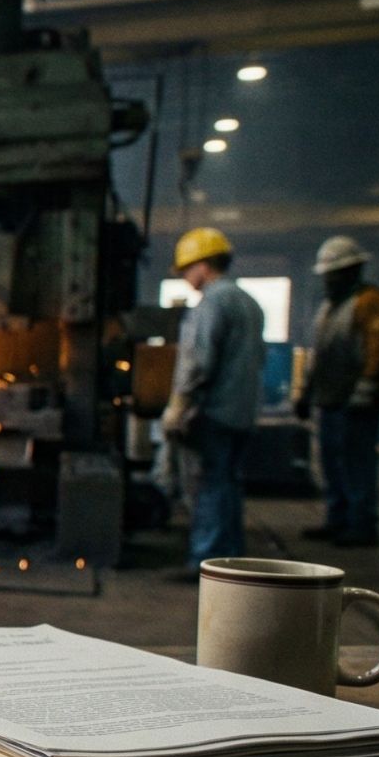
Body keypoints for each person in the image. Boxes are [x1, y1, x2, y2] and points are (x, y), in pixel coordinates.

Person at [163, 227, 266, 572]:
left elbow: (198, 361)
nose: (185, 278)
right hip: (243, 411)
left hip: (216, 412)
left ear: (203, 265)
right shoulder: (248, 302)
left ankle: (205, 561)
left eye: (186, 270)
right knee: (229, 485)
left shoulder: (213, 303)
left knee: (209, 485)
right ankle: (231, 558)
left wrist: (179, 405)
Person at [295, 235, 379, 547]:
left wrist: (364, 391)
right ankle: (337, 519)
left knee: (356, 463)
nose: (329, 280)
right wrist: (306, 393)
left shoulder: (371, 302)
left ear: (353, 271)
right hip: (331, 398)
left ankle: (362, 525)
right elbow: (319, 353)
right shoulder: (330, 306)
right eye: (327, 274)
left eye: (334, 273)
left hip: (357, 401)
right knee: (331, 462)